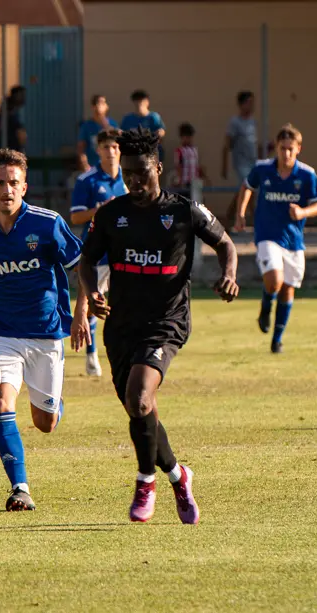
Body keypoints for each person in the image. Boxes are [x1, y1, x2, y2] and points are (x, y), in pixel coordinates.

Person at [73, 127, 239, 524]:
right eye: (128, 174)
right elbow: (85, 261)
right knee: (139, 410)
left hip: (166, 323)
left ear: (159, 168)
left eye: (142, 174)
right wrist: (93, 293)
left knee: (141, 398)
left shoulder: (184, 211)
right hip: (120, 326)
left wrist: (229, 273)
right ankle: (179, 476)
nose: (134, 181)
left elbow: (226, 244)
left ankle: (145, 480)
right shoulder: (111, 215)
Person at [0, 148, 85, 512]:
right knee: (0, 402)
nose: (6, 190)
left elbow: (81, 268)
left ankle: (53, 404)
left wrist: (83, 313)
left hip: (46, 332)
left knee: (45, 424)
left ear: (24, 186)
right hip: (0, 333)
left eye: (13, 183)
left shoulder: (48, 223)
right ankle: (19, 488)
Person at [234, 123, 317, 354]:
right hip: (267, 235)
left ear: (298, 149)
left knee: (288, 289)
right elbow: (247, 186)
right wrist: (241, 213)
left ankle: (277, 340)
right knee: (274, 281)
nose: (285, 153)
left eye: (290, 149)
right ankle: (266, 305)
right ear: (276, 147)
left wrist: (303, 212)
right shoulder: (263, 169)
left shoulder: (306, 174)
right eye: (282, 148)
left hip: (293, 240)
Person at [69, 128, 127, 377]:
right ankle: (91, 354)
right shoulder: (88, 181)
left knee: (126, 304)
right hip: (98, 253)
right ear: (98, 150)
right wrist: (100, 209)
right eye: (106, 147)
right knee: (94, 303)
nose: (111, 152)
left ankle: (124, 351)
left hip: (125, 252)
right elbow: (75, 216)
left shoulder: (129, 178)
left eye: (115, 147)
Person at [222, 91, 262, 228]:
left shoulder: (253, 122)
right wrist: (224, 165)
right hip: (241, 163)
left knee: (243, 191)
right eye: (248, 103)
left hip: (253, 162)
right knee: (249, 190)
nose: (251, 106)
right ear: (241, 104)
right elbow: (227, 144)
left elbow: (256, 143)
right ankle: (257, 224)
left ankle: (227, 219)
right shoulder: (235, 122)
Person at [120, 90, 166, 161]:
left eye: (141, 100)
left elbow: (161, 131)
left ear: (147, 102)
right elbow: (122, 133)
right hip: (133, 155)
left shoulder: (153, 117)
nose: (139, 103)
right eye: (136, 101)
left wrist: (157, 135)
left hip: (150, 154)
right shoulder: (127, 119)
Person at [76, 94, 118, 172]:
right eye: (97, 103)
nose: (99, 106)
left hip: (110, 167)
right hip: (93, 168)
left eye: (103, 103)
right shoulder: (86, 126)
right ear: (93, 107)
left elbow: (117, 145)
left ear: (106, 106)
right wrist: (85, 165)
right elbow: (81, 148)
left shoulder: (112, 124)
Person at [172, 122, 209, 189]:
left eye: (190, 137)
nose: (188, 139)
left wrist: (205, 178)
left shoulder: (194, 150)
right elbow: (178, 167)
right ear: (182, 137)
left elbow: (197, 166)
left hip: (195, 182)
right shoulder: (179, 151)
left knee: (195, 199)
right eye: (186, 137)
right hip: (185, 183)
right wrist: (179, 181)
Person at [0, 85, 27, 153]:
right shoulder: (11, 115)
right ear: (16, 95)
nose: (24, 98)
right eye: (22, 95)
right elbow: (20, 134)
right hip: (9, 151)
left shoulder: (13, 114)